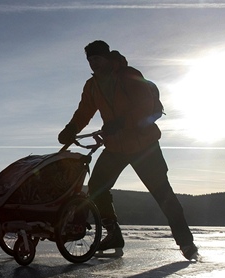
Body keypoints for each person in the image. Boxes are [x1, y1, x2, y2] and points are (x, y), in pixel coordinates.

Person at [58, 40, 198, 260]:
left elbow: (145, 106)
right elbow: (84, 111)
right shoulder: (92, 85)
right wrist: (71, 128)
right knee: (96, 187)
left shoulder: (129, 75)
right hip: (115, 146)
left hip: (144, 146)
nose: (93, 64)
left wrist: (121, 122)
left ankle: (187, 244)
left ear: (107, 57)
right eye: (90, 60)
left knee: (163, 194)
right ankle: (113, 235)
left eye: (97, 59)